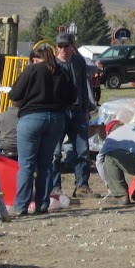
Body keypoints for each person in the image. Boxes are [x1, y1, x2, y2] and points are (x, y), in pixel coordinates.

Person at [7, 43, 75, 216]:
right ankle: (42, 205)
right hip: (56, 119)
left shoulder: (32, 70)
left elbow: (14, 94)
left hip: (32, 118)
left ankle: (21, 206)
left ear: (37, 59)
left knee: (27, 165)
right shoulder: (63, 72)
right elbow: (73, 97)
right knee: (46, 164)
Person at [52, 32, 99, 197]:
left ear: (72, 47)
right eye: (60, 46)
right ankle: (54, 187)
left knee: (83, 150)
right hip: (59, 112)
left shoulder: (79, 62)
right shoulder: (52, 64)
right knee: (55, 152)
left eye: (66, 46)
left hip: (78, 111)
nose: (63, 49)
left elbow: (83, 86)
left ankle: (82, 186)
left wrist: (86, 110)